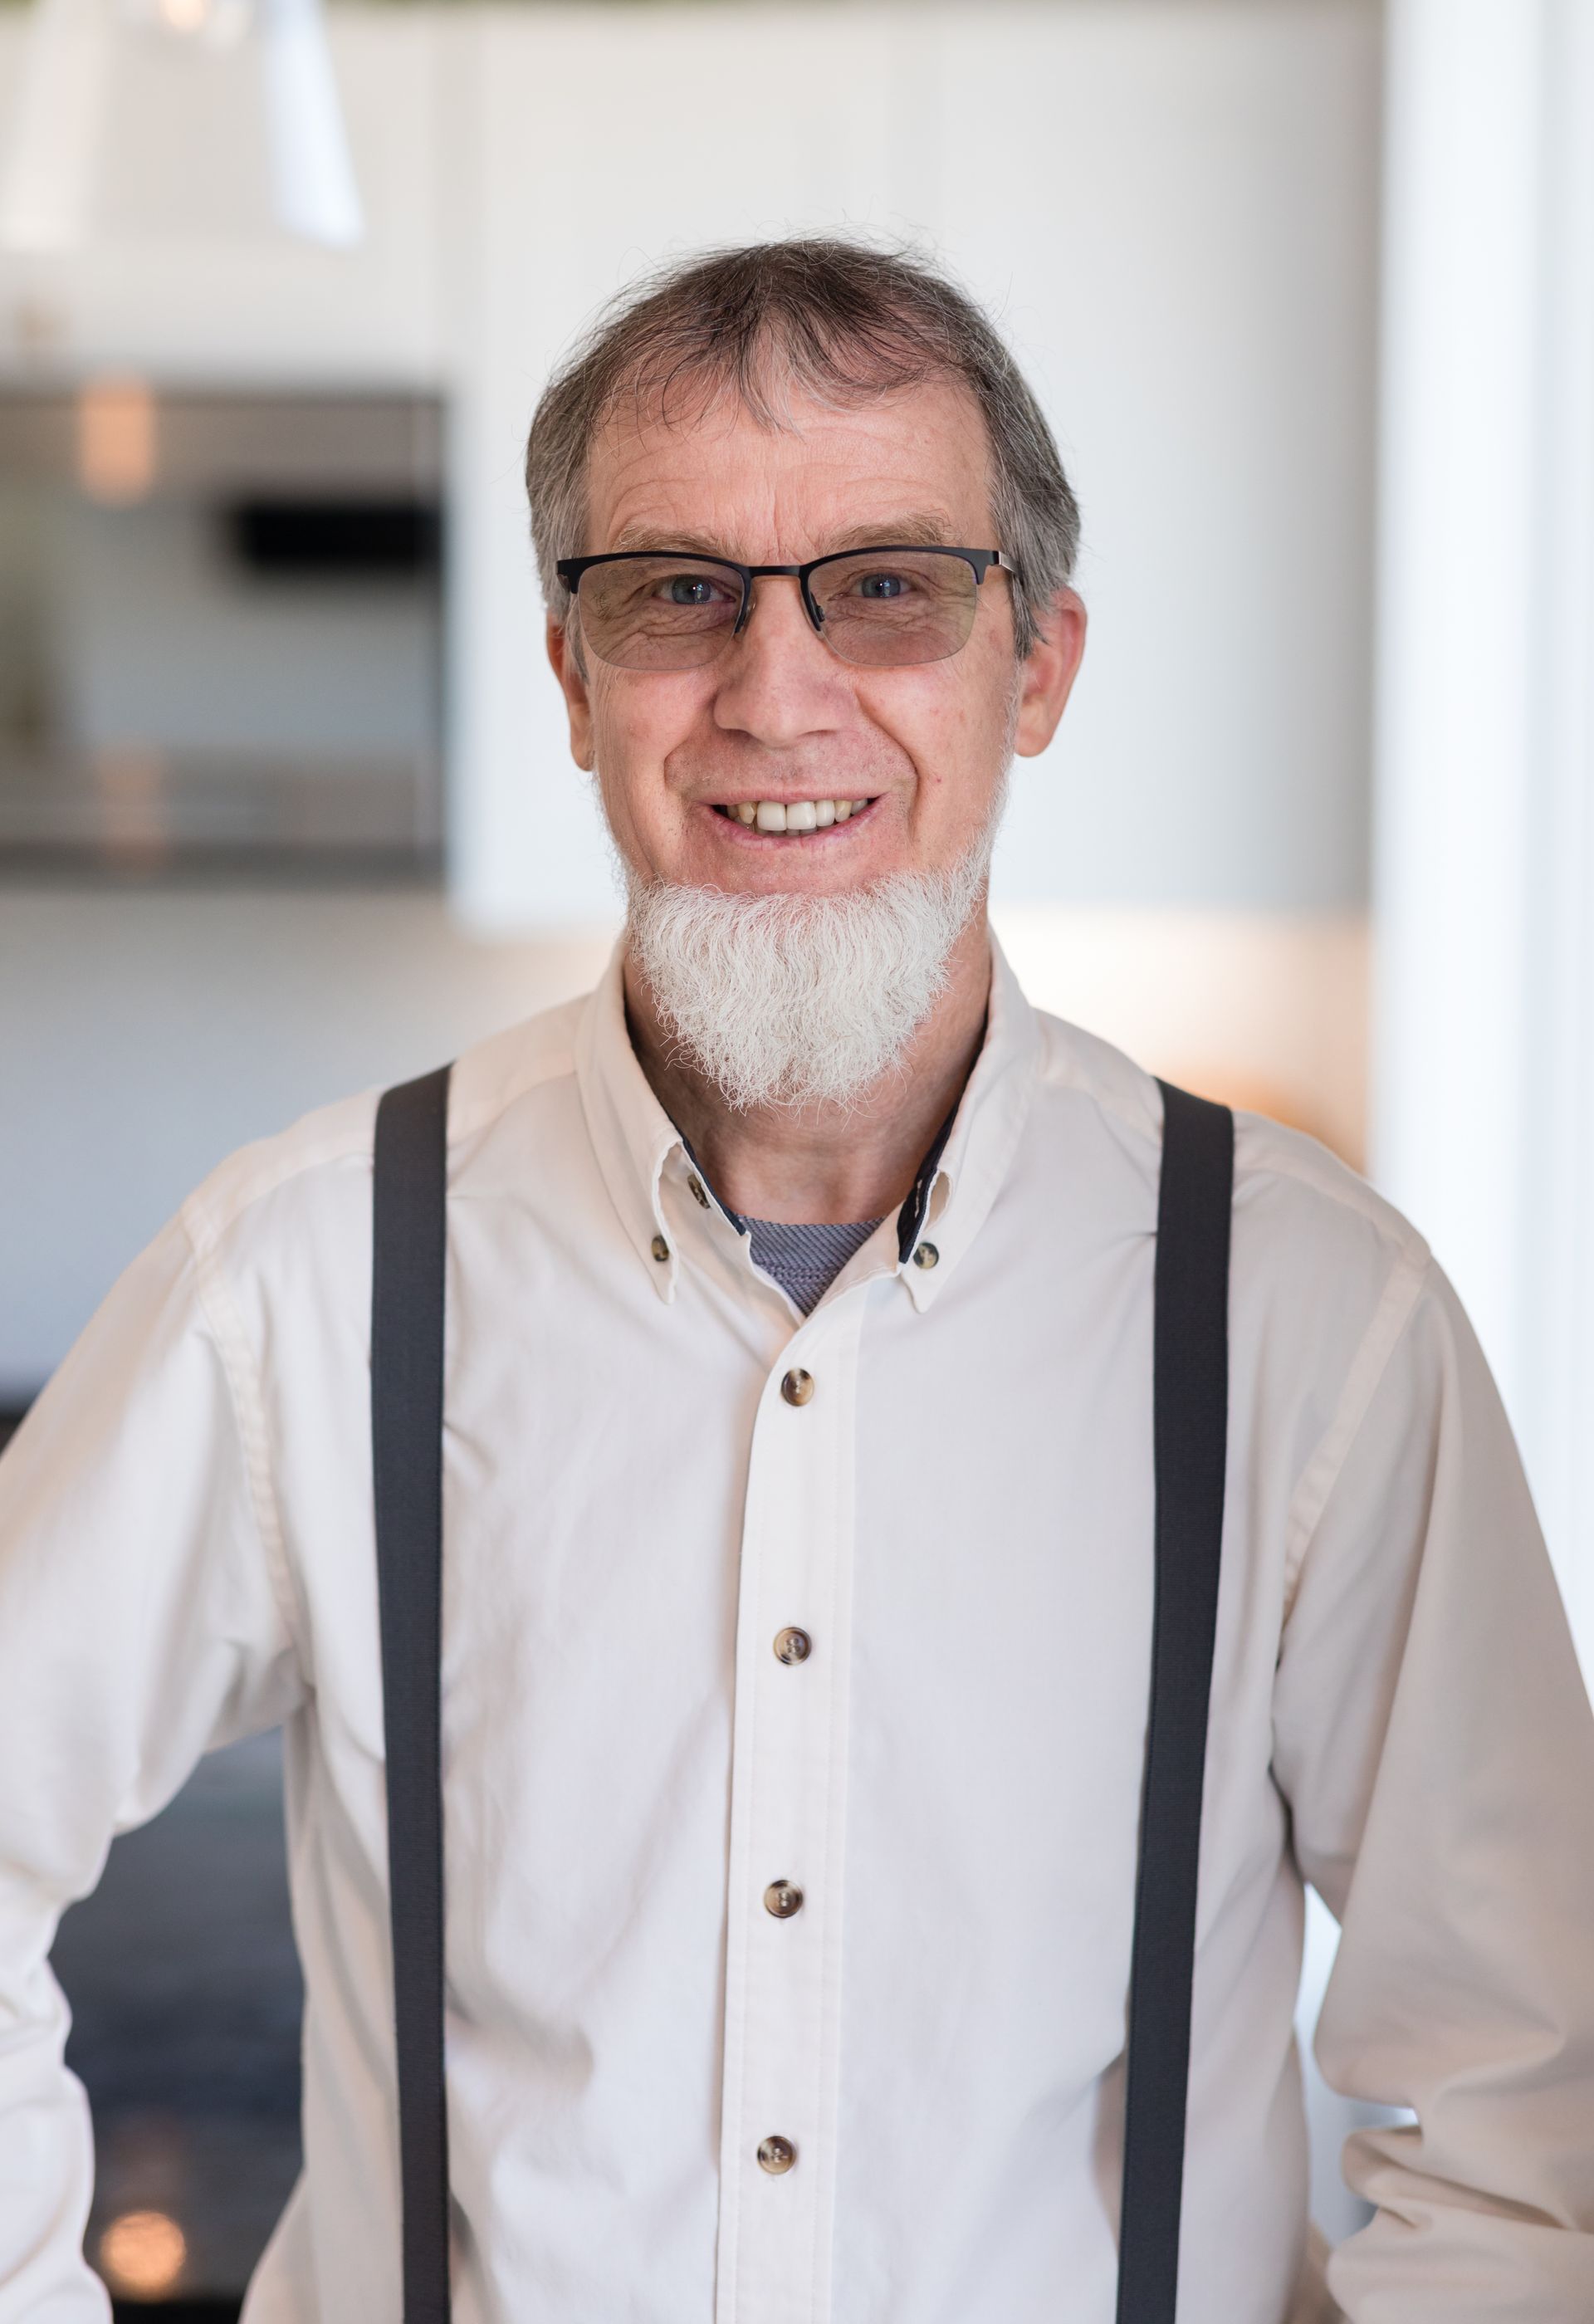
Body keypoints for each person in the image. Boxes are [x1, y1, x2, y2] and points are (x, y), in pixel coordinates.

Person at [1, 237, 1591, 2324]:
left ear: (1037, 667)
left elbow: (1520, 2118)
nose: (776, 690)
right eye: (677, 593)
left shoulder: (1316, 1322)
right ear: (573, 681)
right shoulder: (303, 1276)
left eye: (887, 585)